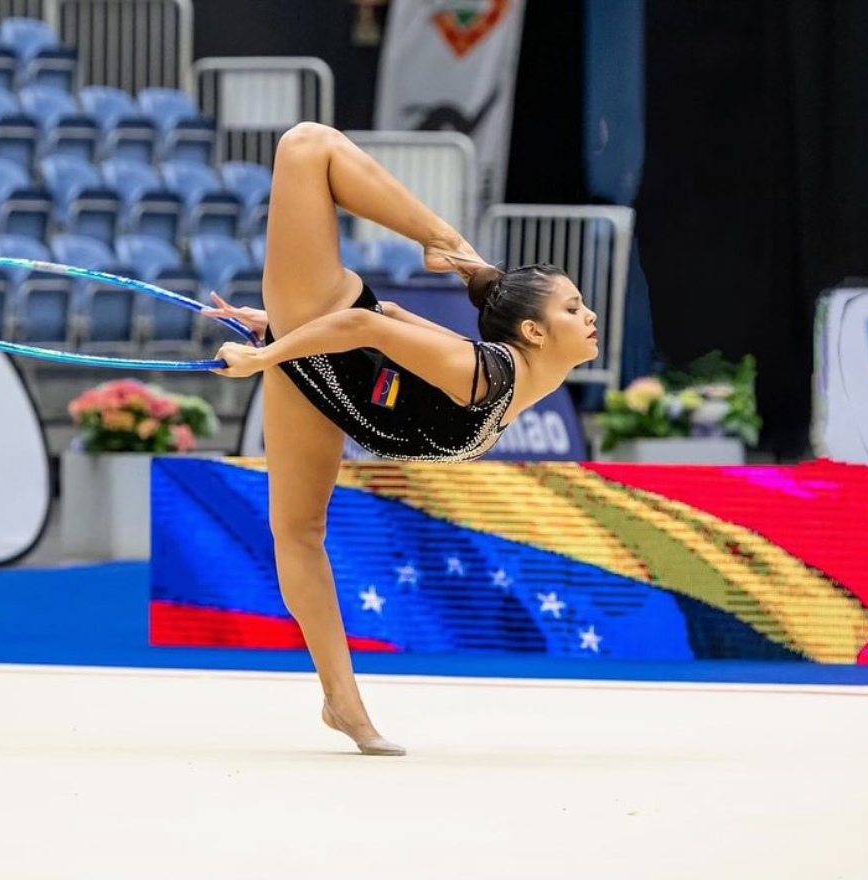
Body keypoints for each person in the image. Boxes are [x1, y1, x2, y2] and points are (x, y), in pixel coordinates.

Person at [201, 123, 600, 756]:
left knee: (300, 535)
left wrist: (279, 327)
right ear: (533, 330)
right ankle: (444, 240)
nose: (590, 315)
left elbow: (387, 319)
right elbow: (365, 321)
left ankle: (339, 703)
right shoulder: (488, 375)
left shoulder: (523, 380)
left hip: (333, 376)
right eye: (575, 308)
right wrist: (271, 346)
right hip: (325, 347)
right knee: (305, 143)